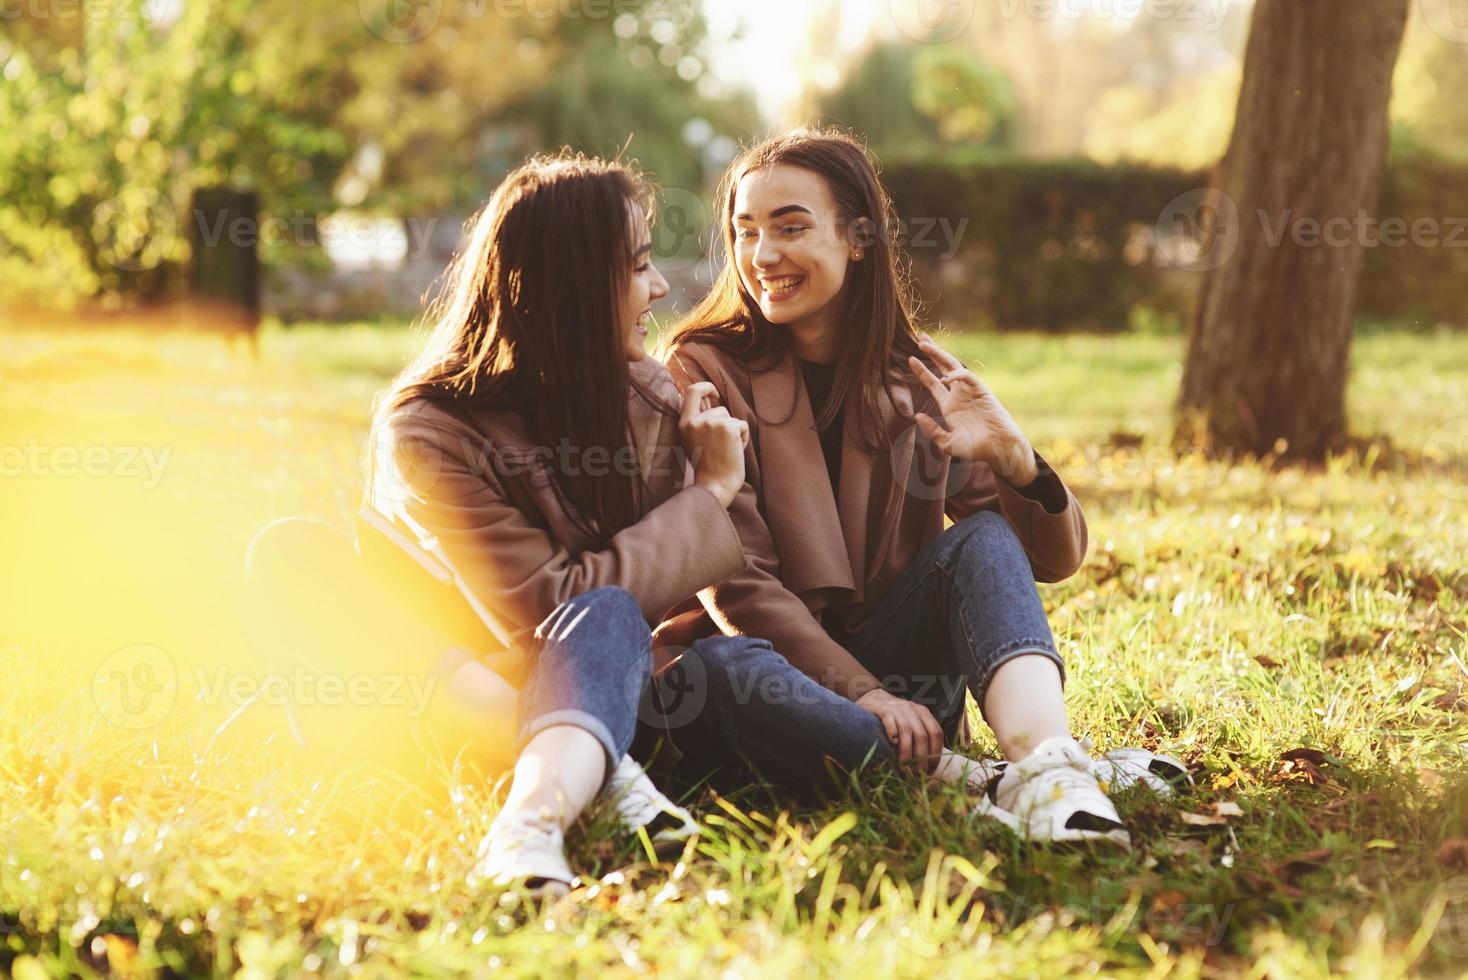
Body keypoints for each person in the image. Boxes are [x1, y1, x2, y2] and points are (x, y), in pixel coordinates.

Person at [664, 129, 1188, 848]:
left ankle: (1048, 766)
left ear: (857, 238)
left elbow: (1037, 564)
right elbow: (736, 581)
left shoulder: (918, 375)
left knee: (983, 534)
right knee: (719, 668)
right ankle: (988, 780)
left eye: (791, 227)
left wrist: (1018, 463)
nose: (762, 256)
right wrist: (865, 695)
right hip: (781, 683)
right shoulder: (701, 367)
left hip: (909, 689)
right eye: (745, 231)